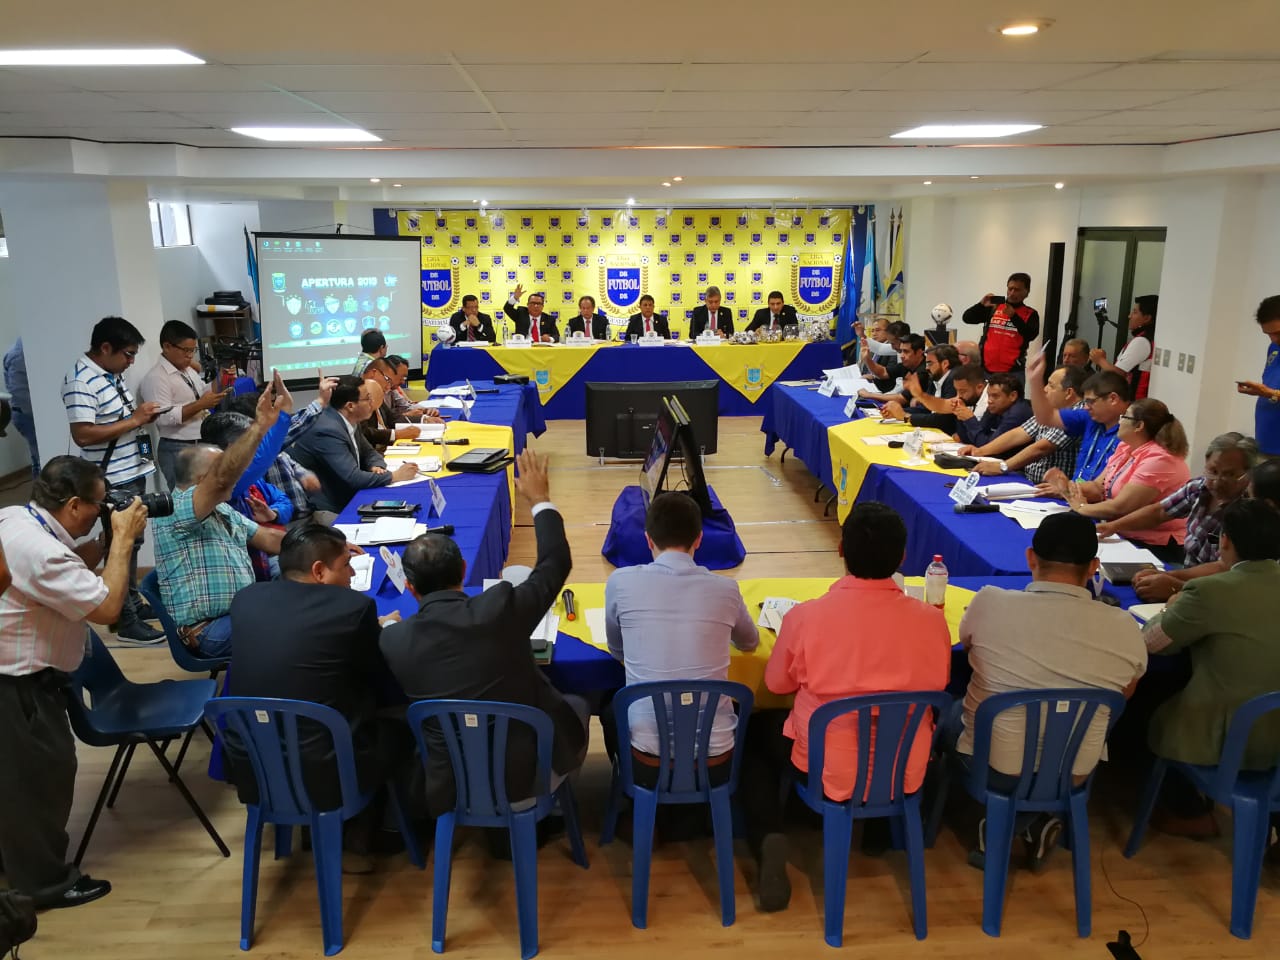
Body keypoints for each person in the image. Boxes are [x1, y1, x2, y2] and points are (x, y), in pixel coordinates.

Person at [741, 502, 951, 911]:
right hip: (903, 768)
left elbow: (776, 683)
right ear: (903, 557)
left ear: (840, 549)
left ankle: (769, 838)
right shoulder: (932, 620)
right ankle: (875, 830)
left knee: (756, 731)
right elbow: (938, 684)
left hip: (828, 766)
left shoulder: (806, 617)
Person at [380, 450, 590, 817]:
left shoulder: (393, 640)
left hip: (450, 784)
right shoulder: (500, 608)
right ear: (463, 570)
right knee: (580, 704)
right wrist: (540, 500)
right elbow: (555, 564)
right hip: (526, 773)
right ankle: (551, 812)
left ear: (410, 588)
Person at [949, 511, 1147, 867]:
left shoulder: (989, 602)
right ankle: (1034, 820)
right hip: (1073, 771)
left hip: (994, 766)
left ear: (1030, 558)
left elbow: (968, 645)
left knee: (952, 711)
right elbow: (1123, 696)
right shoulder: (1125, 626)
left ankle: (1004, 825)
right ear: (1093, 568)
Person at [0, 456, 144, 909]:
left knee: (14, 782)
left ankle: (13, 864)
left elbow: (51, 575)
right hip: (19, 684)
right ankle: (45, 885)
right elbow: (107, 610)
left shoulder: (16, 518)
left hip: (16, 676)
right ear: (77, 504)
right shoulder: (44, 554)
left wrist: (99, 549)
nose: (105, 512)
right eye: (100, 506)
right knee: (41, 783)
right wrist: (121, 541)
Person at [226, 523, 408, 865]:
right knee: (402, 725)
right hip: (329, 771)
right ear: (319, 571)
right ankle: (386, 830)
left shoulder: (246, 600)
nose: (353, 572)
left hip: (253, 768)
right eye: (345, 565)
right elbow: (376, 676)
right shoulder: (352, 609)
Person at [1140, 499, 1280, 835]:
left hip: (1228, 733)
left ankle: (1187, 812)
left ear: (1227, 541)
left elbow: (1151, 643)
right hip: (1275, 735)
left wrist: (1169, 607)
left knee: (1149, 702)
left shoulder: (1209, 591)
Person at [603, 492, 758, 767]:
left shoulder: (620, 582)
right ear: (699, 538)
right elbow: (750, 642)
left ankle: (629, 791)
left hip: (646, 757)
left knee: (609, 707)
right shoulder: (726, 590)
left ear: (648, 539)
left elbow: (617, 650)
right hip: (716, 758)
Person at [152, 378, 291, 657]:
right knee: (298, 624)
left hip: (239, 614)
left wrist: (321, 547)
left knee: (304, 598)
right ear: (203, 479)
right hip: (209, 630)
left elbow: (268, 538)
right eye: (221, 469)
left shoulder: (222, 508)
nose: (236, 473)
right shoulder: (175, 510)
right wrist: (262, 425)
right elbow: (223, 477)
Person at [61, 316, 163, 644]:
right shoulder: (81, 381)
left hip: (131, 471)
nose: (132, 362)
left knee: (132, 542)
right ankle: (122, 619)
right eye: (128, 354)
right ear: (105, 348)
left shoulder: (109, 375)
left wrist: (140, 418)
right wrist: (135, 419)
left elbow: (117, 421)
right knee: (118, 545)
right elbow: (83, 434)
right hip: (111, 479)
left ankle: (131, 602)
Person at [1098, 433, 1258, 601]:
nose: (1218, 481)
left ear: (1248, 474)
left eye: (1229, 475)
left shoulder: (1249, 513)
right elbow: (1159, 512)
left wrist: (1173, 579)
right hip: (1186, 574)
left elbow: (1226, 567)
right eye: (1213, 471)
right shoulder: (1199, 488)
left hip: (1218, 592)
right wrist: (1113, 526)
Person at [1049, 398, 1191, 564]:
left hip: (1153, 547)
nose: (1119, 420)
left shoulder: (1160, 459)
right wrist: (1067, 488)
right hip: (1120, 534)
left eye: (1125, 416)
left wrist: (1081, 507)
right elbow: (1098, 487)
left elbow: (1120, 507)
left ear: (1139, 426)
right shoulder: (1125, 447)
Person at [287, 375, 419, 515]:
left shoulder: (349, 419)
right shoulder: (327, 430)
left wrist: (376, 466)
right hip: (329, 508)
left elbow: (369, 452)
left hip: (349, 494)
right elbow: (353, 478)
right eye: (367, 398)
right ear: (350, 406)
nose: (372, 402)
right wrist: (395, 476)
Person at [138, 320, 229, 490]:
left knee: (207, 495)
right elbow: (163, 418)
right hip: (176, 447)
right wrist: (200, 405)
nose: (190, 356)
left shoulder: (187, 370)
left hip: (199, 441)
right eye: (186, 350)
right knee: (186, 502)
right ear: (167, 346)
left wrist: (221, 380)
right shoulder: (156, 378)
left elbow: (202, 392)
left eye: (192, 351)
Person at [961, 364, 1088, 481]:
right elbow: (1019, 433)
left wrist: (1002, 467)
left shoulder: (1079, 413)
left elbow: (1042, 448)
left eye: (1051, 385)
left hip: (1051, 488)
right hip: (1027, 478)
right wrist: (980, 451)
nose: (1045, 389)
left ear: (1069, 392)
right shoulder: (1053, 408)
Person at [1025, 351, 1130, 488]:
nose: (1086, 407)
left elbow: (1103, 489)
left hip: (1095, 504)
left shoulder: (1134, 432)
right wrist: (1034, 380)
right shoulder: (1089, 417)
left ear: (1113, 399)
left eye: (1091, 401)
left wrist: (1067, 489)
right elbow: (1046, 417)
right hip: (1074, 496)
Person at [961, 272, 1041, 373]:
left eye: (1017, 290)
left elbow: (1031, 335)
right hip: (985, 369)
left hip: (1013, 371)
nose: (1012, 293)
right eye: (1010, 289)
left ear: (1026, 292)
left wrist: (1014, 317)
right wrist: (980, 305)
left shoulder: (1030, 313)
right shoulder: (995, 306)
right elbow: (967, 318)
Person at [1236, 295, 1280, 457]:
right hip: (1264, 444)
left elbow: (1272, 392)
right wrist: (1261, 391)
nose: (1274, 339)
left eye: (1278, 333)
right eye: (1268, 334)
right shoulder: (1274, 348)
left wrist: (1269, 393)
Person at [1091, 295, 1157, 400]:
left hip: (1133, 402)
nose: (1129, 316)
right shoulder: (1147, 338)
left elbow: (1118, 374)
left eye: (1135, 312)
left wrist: (1100, 360)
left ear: (1147, 318)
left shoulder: (1141, 341)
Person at [902, 362, 988, 435]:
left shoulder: (990, 399)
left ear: (979, 387)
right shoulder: (968, 396)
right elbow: (942, 405)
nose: (958, 396)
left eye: (962, 391)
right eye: (957, 391)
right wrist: (920, 395)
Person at [878, 343, 959, 421]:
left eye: (930, 363)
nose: (926, 368)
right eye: (926, 364)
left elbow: (944, 419)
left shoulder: (954, 381)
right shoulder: (936, 377)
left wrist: (906, 416)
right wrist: (897, 411)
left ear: (945, 364)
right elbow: (925, 409)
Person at [953, 373, 1032, 448]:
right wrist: (962, 416)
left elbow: (988, 447)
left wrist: (970, 420)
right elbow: (973, 439)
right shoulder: (995, 408)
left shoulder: (1017, 414)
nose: (989, 401)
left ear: (1013, 396)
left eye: (995, 396)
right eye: (988, 395)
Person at [858, 334, 933, 405]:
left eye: (906, 352)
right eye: (901, 351)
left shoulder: (924, 371)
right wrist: (867, 359)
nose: (902, 356)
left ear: (919, 352)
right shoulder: (908, 364)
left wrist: (869, 395)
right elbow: (883, 373)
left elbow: (902, 398)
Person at [361, 360, 420, 449]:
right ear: (374, 373)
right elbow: (364, 432)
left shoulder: (377, 392)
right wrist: (396, 434)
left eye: (390, 383)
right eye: (387, 380)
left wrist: (424, 419)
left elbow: (392, 418)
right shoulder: (356, 394)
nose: (388, 387)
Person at [3, 338, 39, 478]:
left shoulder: (26, 350)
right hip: (27, 416)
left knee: (39, 458)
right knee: (41, 459)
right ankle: (42, 497)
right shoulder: (18, 356)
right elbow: (22, 398)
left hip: (29, 413)